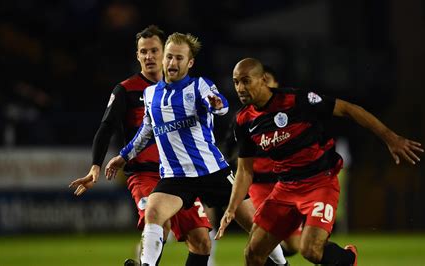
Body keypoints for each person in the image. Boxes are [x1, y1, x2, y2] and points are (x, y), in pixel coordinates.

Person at [216, 58, 424, 265]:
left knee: (311, 251)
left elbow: (348, 109)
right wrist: (232, 208)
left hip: (319, 183)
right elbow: (244, 171)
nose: (240, 88)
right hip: (285, 188)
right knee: (253, 254)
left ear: (262, 80)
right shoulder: (244, 120)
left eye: (246, 81)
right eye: (236, 82)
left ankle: (348, 259)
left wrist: (391, 138)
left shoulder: (296, 100)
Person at [105, 33, 288, 266]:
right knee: (153, 211)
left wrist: (218, 105)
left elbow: (219, 103)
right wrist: (123, 156)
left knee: (256, 225)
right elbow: (146, 131)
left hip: (211, 171)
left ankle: (283, 265)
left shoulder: (199, 86)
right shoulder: (151, 94)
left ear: (189, 62)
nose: (172, 63)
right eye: (169, 57)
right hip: (176, 177)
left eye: (179, 58)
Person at [68, 25, 212, 266]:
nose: (149, 56)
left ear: (165, 52)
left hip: (181, 175)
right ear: (137, 56)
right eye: (143, 51)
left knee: (201, 242)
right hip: (145, 174)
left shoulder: (185, 90)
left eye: (154, 50)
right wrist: (95, 167)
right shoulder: (126, 90)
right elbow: (106, 128)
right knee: (160, 222)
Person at [247, 65, 300, 257]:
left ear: (276, 84)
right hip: (259, 185)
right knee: (259, 240)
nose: (264, 83)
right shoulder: (247, 116)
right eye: (260, 80)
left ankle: (271, 257)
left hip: (285, 184)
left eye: (267, 79)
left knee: (294, 245)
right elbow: (233, 149)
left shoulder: (290, 111)